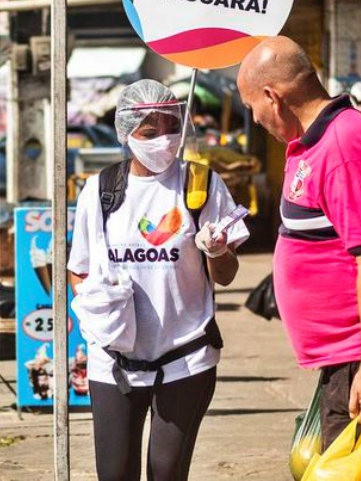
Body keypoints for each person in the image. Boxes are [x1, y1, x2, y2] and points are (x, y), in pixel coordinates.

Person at [237, 36, 361, 450]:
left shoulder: (345, 146)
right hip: (347, 357)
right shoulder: (314, 142)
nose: (255, 121)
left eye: (253, 108)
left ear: (273, 97)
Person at [67, 79, 249, 481]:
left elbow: (229, 273)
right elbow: (77, 269)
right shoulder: (99, 192)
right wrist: (97, 307)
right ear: (126, 134)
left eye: (171, 127)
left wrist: (216, 250)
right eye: (151, 132)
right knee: (115, 474)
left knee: (166, 472)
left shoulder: (200, 184)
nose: (163, 140)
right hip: (114, 361)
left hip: (186, 357)